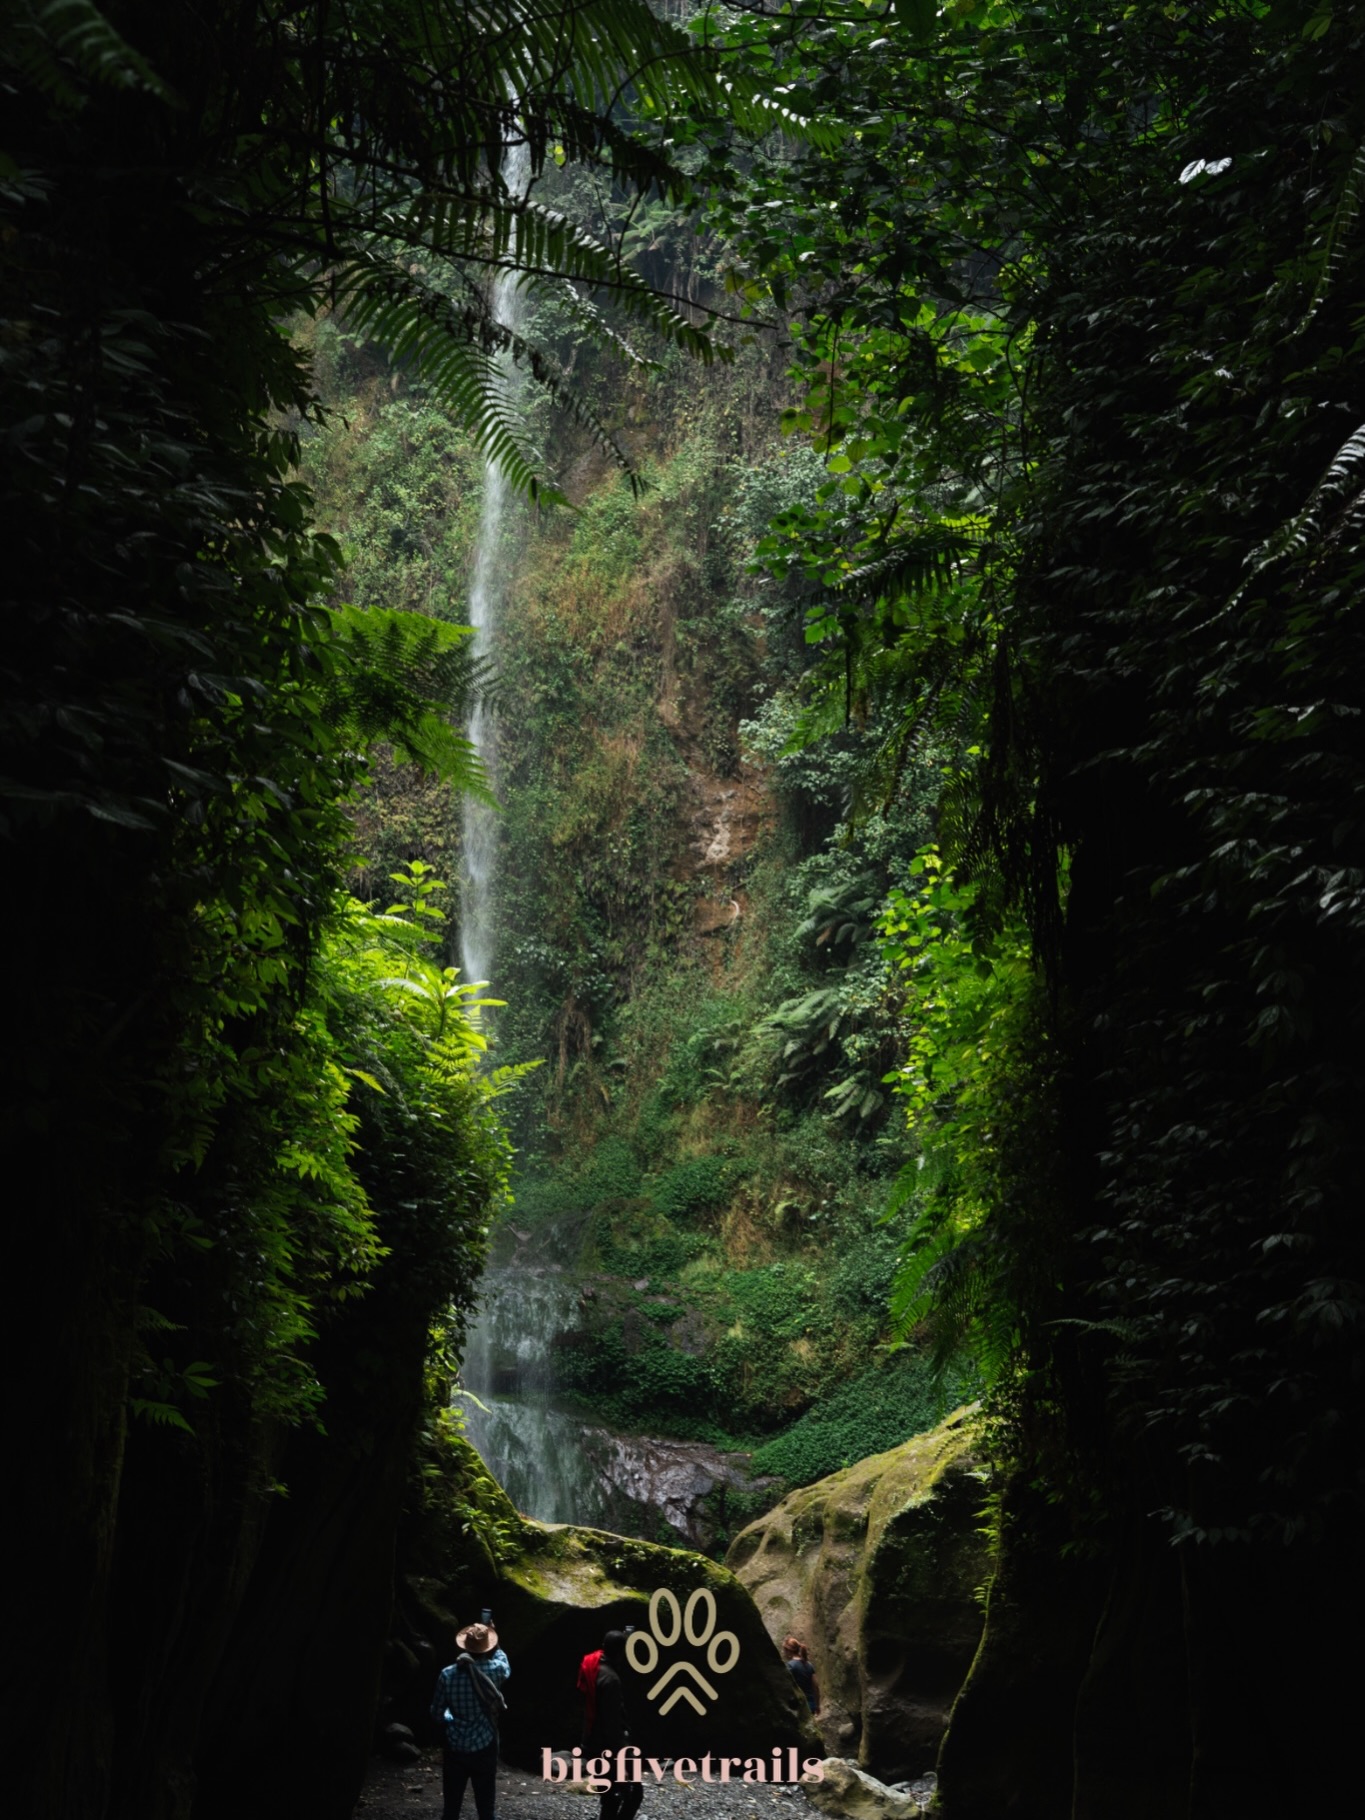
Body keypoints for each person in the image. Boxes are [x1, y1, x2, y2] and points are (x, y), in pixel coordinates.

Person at [431, 1618, 510, 1820]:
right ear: (487, 1649)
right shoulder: (495, 1671)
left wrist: (450, 1718)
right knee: (485, 1807)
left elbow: (437, 1713)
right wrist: (495, 1638)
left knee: (451, 1807)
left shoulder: (447, 1675)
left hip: (456, 1747)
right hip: (485, 1745)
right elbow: (504, 1663)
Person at [580, 1629, 642, 1820]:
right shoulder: (611, 1681)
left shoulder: (593, 1665)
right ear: (620, 1652)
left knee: (609, 1798)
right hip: (607, 1747)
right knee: (633, 1793)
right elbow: (612, 1723)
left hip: (591, 1741)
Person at [782, 1635, 820, 1716]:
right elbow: (816, 1687)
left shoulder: (790, 1666)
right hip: (811, 1704)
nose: (783, 1653)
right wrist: (817, 1705)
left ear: (789, 1651)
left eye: (784, 1650)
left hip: (800, 1705)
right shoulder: (809, 1665)